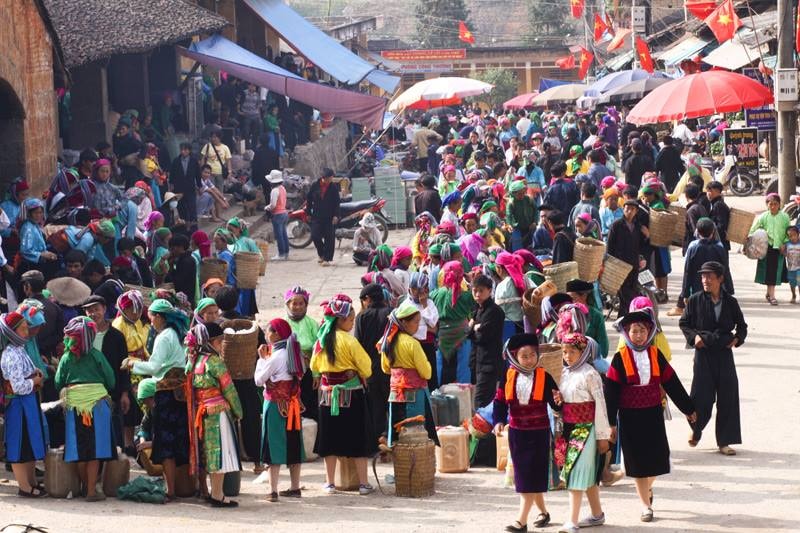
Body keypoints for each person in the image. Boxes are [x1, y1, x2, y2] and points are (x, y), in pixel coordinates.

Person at [605, 308, 697, 523]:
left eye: (643, 331)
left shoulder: (656, 355)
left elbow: (672, 383)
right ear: (627, 333)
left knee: (658, 459)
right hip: (629, 417)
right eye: (634, 331)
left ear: (650, 332)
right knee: (637, 463)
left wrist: (688, 408)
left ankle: (647, 488)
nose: (639, 335)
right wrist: (611, 423)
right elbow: (611, 393)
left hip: (653, 414)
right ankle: (646, 506)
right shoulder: (620, 358)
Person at [310, 294, 377, 495]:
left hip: (326, 395)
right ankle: (363, 483)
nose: (352, 323)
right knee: (357, 437)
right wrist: (357, 372)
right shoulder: (349, 341)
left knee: (329, 438)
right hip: (351, 395)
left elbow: (314, 365)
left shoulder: (321, 341)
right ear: (340, 320)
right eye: (350, 320)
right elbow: (366, 368)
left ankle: (330, 482)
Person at [492, 333, 559, 532]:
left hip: (539, 432)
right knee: (525, 474)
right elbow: (499, 401)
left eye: (532, 355)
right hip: (517, 432)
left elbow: (555, 403)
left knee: (531, 474)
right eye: (524, 356)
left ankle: (521, 521)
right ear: (515, 357)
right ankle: (544, 513)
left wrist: (559, 401)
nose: (529, 360)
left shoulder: (544, 376)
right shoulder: (508, 376)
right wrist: (498, 421)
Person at [679, 261, 747, 456]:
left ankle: (724, 441)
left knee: (728, 396)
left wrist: (737, 339)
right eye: (703, 276)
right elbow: (684, 323)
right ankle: (696, 429)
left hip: (724, 354)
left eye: (709, 276)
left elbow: (742, 326)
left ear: (720, 279)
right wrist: (694, 337)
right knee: (701, 396)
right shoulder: (695, 300)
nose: (705, 280)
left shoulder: (731, 302)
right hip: (704, 354)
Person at [127, 299, 190, 501]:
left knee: (166, 445)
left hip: (166, 394)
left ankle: (170, 489)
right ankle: (189, 487)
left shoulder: (164, 337)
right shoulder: (179, 335)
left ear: (160, 317)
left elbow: (154, 368)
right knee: (183, 441)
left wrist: (132, 364)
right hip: (180, 393)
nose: (150, 321)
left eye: (152, 317)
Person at [54, 316, 116, 501]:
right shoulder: (97, 355)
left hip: (74, 407)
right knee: (95, 449)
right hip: (98, 405)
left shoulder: (66, 357)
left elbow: (58, 382)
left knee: (80, 449)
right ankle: (91, 491)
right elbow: (111, 380)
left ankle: (83, 487)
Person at [185, 322, 243, 508]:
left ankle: (212, 491)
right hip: (218, 413)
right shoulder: (215, 362)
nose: (221, 345)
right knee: (221, 453)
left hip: (201, 413)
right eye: (220, 341)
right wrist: (238, 411)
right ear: (212, 342)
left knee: (209, 453)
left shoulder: (193, 361)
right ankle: (217, 495)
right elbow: (229, 389)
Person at [557, 334, 610, 533]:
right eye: (564, 352)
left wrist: (602, 436)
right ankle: (597, 514)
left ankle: (572, 520)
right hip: (568, 428)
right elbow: (559, 405)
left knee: (576, 472)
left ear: (583, 352)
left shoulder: (590, 374)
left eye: (572, 351)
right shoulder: (563, 373)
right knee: (584, 473)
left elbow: (601, 405)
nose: (568, 356)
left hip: (586, 428)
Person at [254, 319, 307, 502]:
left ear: (275, 334)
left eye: (268, 332)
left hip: (275, 405)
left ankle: (273, 490)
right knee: (293, 444)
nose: (266, 335)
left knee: (273, 445)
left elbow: (259, 380)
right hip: (293, 405)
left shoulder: (276, 356)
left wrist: (261, 360)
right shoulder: (293, 352)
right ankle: (294, 487)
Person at [377, 300, 438, 446]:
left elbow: (385, 368)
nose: (418, 326)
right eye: (416, 322)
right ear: (404, 323)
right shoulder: (412, 344)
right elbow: (426, 373)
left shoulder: (388, 343)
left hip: (395, 395)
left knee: (397, 433)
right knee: (414, 433)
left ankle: (399, 464)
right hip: (414, 395)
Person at [0, 311, 48, 498]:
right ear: (12, 332)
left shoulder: (20, 350)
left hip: (28, 402)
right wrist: (35, 382)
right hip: (19, 405)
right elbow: (18, 386)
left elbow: (24, 375)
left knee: (29, 444)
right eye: (22, 328)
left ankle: (32, 482)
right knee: (19, 446)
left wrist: (34, 373)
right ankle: (24, 487)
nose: (27, 331)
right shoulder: (10, 355)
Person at [81, 295, 131, 450]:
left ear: (104, 309)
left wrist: (124, 393)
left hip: (111, 392)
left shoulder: (117, 336)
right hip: (87, 392)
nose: (93, 313)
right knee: (90, 437)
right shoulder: (81, 335)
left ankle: (112, 471)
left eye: (96, 309)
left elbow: (124, 366)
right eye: (89, 310)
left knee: (112, 437)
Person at [355, 283, 393, 441]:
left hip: (370, 370)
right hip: (390, 367)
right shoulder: (391, 313)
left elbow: (357, 345)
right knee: (391, 405)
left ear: (367, 299)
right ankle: (390, 437)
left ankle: (377, 442)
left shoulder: (362, 317)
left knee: (375, 407)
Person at [431, 261, 475, 386]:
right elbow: (475, 298)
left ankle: (437, 392)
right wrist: (471, 281)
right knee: (463, 367)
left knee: (439, 365)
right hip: (462, 334)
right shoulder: (466, 296)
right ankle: (463, 395)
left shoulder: (435, 294)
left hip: (442, 334)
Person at [607, 199, 648, 317]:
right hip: (620, 265)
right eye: (627, 208)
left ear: (636, 211)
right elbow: (610, 247)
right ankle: (630, 315)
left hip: (634, 264)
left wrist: (646, 236)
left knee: (632, 289)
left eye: (632, 209)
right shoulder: (616, 225)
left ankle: (624, 317)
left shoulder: (637, 226)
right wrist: (611, 264)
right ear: (623, 209)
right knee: (625, 292)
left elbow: (641, 245)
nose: (629, 211)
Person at [469, 274, 505, 408]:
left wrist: (474, 329)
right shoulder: (477, 309)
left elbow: (482, 337)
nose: (477, 294)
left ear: (489, 291)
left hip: (489, 362)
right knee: (483, 400)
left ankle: (484, 428)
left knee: (481, 401)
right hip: (478, 361)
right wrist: (475, 328)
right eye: (475, 290)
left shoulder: (494, 311)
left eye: (481, 291)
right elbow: (468, 333)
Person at [283, 286, 319, 420]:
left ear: (306, 305)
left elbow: (317, 350)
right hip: (288, 373)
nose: (297, 307)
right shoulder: (282, 324)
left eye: (301, 303)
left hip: (308, 372)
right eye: (294, 303)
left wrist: (316, 374)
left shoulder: (312, 324)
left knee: (309, 406)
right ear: (287, 304)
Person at [749, 193, 791, 305]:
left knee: (774, 272)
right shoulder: (763, 217)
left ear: (779, 204)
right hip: (767, 248)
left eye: (775, 204)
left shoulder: (785, 217)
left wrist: (785, 243)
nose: (772, 206)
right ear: (767, 205)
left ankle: (769, 293)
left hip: (779, 248)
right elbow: (752, 231)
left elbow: (789, 232)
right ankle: (772, 296)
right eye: (770, 204)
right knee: (769, 272)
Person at [407, 273, 439, 390]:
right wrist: (428, 330)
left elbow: (433, 323)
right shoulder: (406, 305)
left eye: (419, 289)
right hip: (413, 347)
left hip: (428, 347)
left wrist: (424, 305)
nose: (416, 292)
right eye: (414, 289)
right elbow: (408, 330)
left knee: (430, 376)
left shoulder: (429, 303)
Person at [226, 217, 262, 315]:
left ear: (239, 229)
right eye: (227, 230)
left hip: (245, 278)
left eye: (231, 229)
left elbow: (260, 257)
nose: (229, 232)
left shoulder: (247, 241)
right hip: (232, 279)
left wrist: (248, 261)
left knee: (245, 301)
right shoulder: (229, 244)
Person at [306, 168, 341, 266]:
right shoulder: (315, 185)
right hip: (317, 215)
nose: (331, 179)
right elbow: (309, 199)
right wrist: (308, 212)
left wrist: (336, 215)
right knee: (315, 235)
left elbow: (337, 202)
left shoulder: (333, 187)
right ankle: (321, 254)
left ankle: (327, 258)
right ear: (324, 178)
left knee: (329, 237)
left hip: (330, 216)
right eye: (330, 178)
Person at [566, 279, 608, 360]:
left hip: (590, 360)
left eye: (573, 298)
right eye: (567, 299)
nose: (569, 302)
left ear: (584, 296)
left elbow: (603, 348)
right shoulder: (565, 314)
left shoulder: (596, 315)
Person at [19, 198, 57, 279]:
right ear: (30, 214)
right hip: (31, 266)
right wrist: (41, 254)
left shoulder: (35, 225)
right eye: (35, 213)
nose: (39, 215)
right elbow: (25, 250)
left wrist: (48, 254)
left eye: (40, 212)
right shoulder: (28, 227)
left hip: (39, 263)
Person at [169, 142, 202, 228]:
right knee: (181, 208)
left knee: (192, 208)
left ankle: (194, 227)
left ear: (189, 150)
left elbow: (198, 175)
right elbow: (172, 175)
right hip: (178, 189)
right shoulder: (176, 161)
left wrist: (200, 186)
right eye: (181, 149)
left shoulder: (194, 161)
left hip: (190, 188)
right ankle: (184, 226)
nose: (183, 151)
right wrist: (171, 186)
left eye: (185, 149)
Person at [506, 180, 537, 252]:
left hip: (530, 227)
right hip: (518, 228)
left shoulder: (529, 199)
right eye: (519, 194)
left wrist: (535, 222)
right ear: (513, 194)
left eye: (523, 193)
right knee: (518, 249)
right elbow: (508, 215)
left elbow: (536, 211)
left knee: (532, 247)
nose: (522, 195)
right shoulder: (511, 203)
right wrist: (510, 225)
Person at [265, 170, 289, 261]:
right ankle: (286, 252)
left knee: (279, 235)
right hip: (284, 213)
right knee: (284, 234)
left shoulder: (274, 191)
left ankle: (281, 253)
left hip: (277, 214)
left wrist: (267, 207)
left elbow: (273, 205)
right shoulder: (282, 188)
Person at [705, 181, 730, 250]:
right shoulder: (716, 203)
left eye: (708, 191)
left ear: (715, 191)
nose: (707, 194)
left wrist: (711, 236)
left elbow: (721, 225)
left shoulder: (718, 205)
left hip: (719, 243)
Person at [785, 226, 800, 302]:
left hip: (799, 268)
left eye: (794, 235)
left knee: (799, 282)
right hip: (791, 268)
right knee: (792, 284)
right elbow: (784, 254)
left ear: (798, 234)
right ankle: (793, 295)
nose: (792, 237)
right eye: (790, 236)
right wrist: (781, 249)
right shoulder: (787, 245)